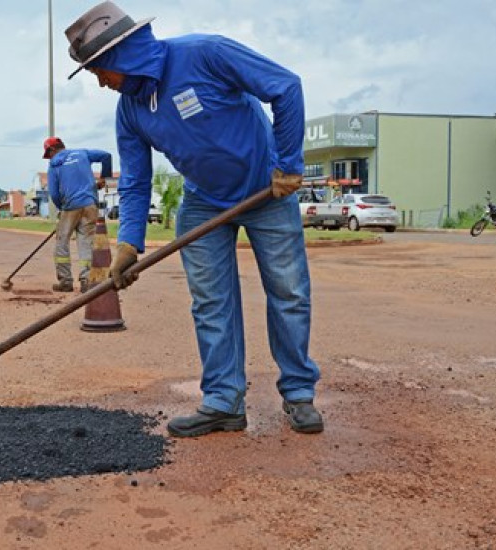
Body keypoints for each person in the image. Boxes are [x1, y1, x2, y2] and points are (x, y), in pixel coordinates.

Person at [65, 2, 323, 436]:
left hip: (267, 190)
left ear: (120, 56)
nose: (102, 83)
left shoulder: (206, 53)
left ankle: (298, 393)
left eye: (100, 71)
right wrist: (130, 242)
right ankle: (224, 400)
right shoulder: (130, 110)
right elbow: (135, 180)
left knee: (288, 291)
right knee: (211, 301)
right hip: (204, 202)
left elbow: (285, 87)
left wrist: (289, 164)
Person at [44, 136, 113, 293]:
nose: (50, 158)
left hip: (70, 205)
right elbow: (106, 156)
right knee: (86, 242)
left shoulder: (54, 164)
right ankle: (86, 281)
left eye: (49, 154)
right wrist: (104, 178)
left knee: (62, 242)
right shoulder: (82, 153)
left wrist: (62, 208)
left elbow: (54, 192)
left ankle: (66, 281)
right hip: (90, 204)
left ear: (52, 150)